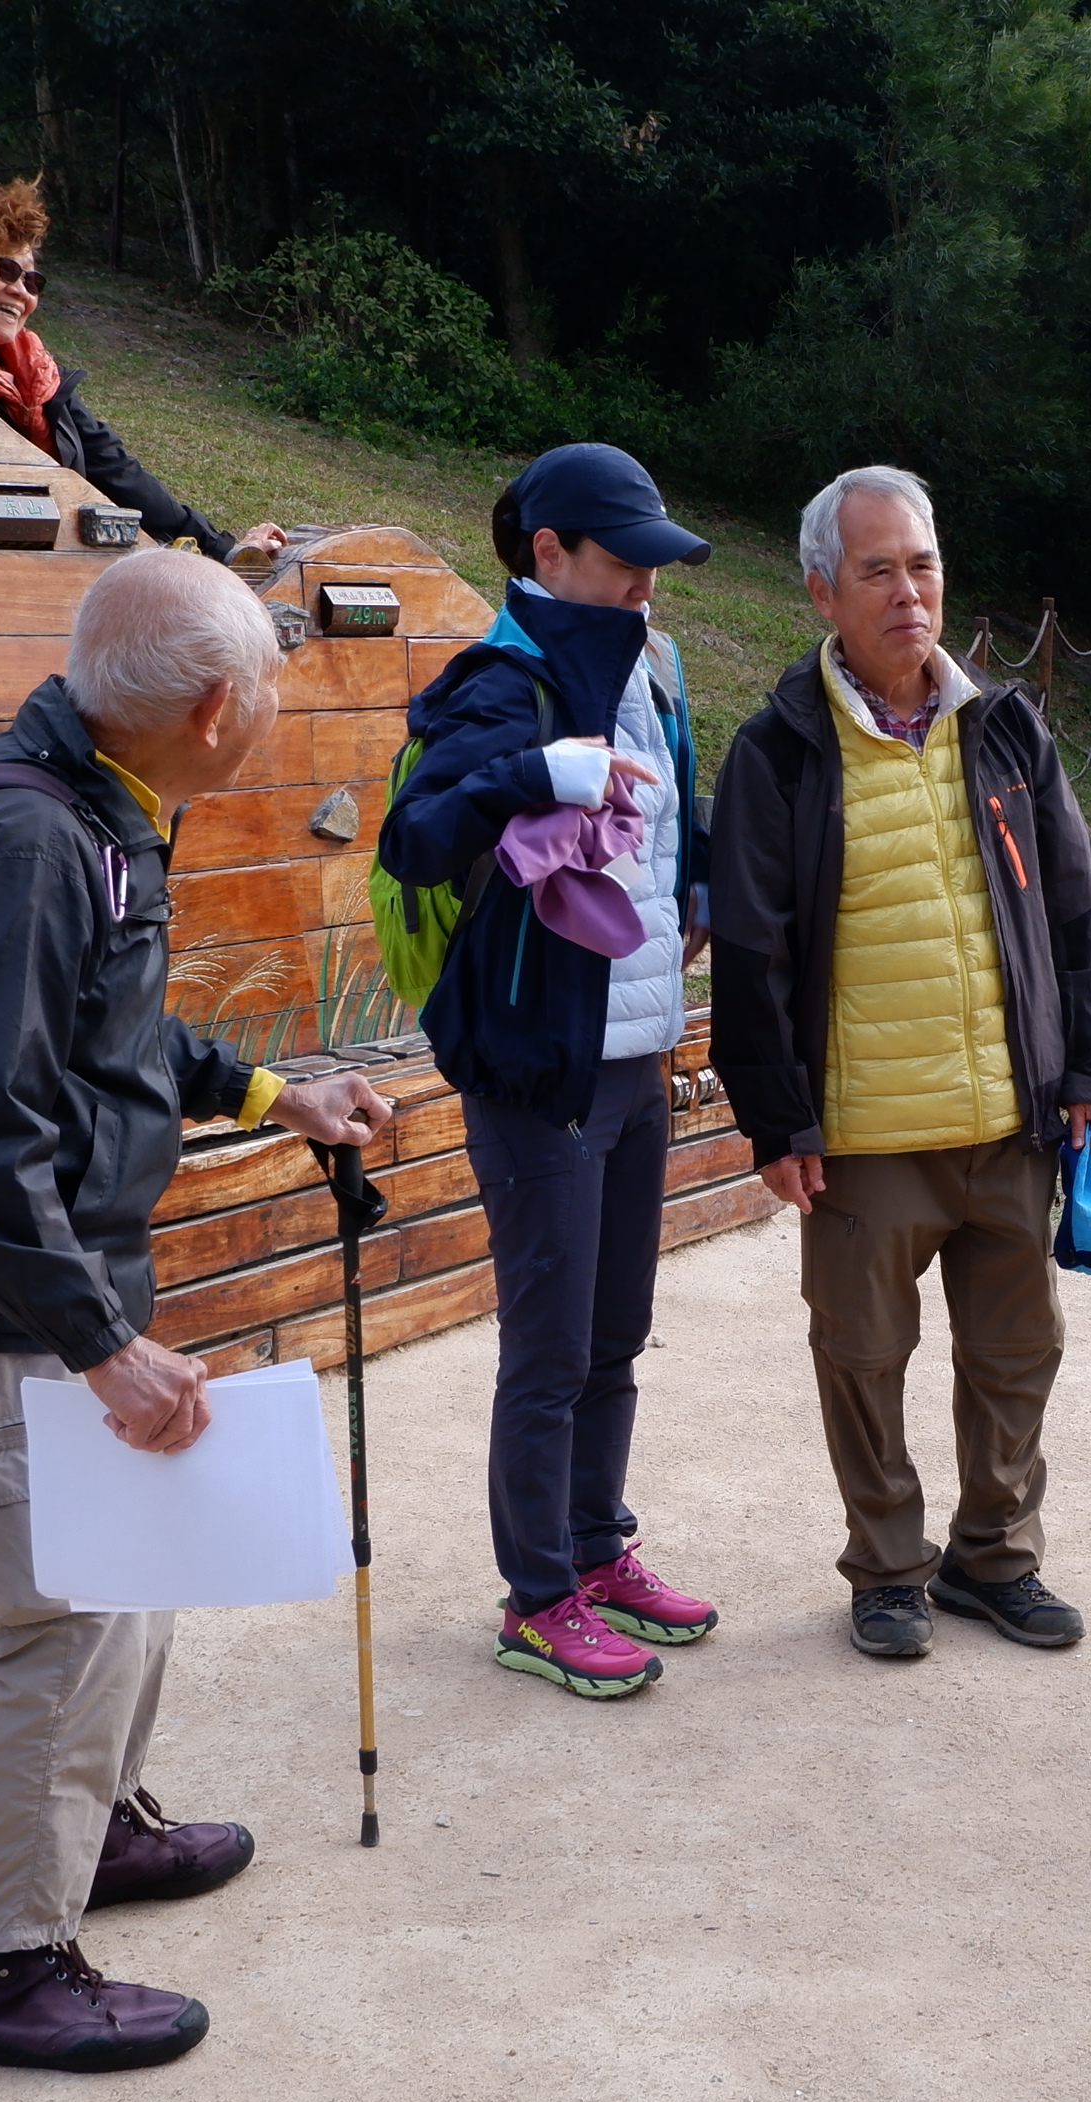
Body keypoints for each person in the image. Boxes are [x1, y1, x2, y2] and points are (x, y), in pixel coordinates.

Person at [0, 545, 397, 2071]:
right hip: (5, 1299)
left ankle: (94, 1832)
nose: (272, 704)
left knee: (127, 1571)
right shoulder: (36, 842)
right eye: (267, 683)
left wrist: (274, 1093)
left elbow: (108, 1038)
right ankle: (2, 1966)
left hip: (43, 1281)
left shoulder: (96, 805)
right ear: (215, 707)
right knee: (61, 1617)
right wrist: (100, 1346)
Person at [709, 465, 1091, 1661]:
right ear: (822, 592)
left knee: (1018, 1355)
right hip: (864, 1136)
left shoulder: (1006, 727)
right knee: (862, 1357)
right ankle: (889, 1567)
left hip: (1009, 1117)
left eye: (923, 565)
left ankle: (994, 1557)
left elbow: (1080, 908)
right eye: (878, 570)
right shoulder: (780, 751)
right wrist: (779, 1121)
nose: (908, 592)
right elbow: (750, 953)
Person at [376, 446, 719, 1700]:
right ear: (547, 553)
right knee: (550, 1348)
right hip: (538, 1067)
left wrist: (704, 882)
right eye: (623, 560)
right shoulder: (498, 681)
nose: (645, 583)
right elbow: (415, 838)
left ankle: (594, 1547)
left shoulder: (653, 669)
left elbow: (676, 826)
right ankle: (536, 1597)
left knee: (614, 1332)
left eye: (654, 562)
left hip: (638, 1052)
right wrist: (532, 772)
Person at [0, 179, 282, 562]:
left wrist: (224, 550)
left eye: (32, 281)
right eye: (6, 270)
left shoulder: (40, 380)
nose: (21, 291)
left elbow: (120, 474)